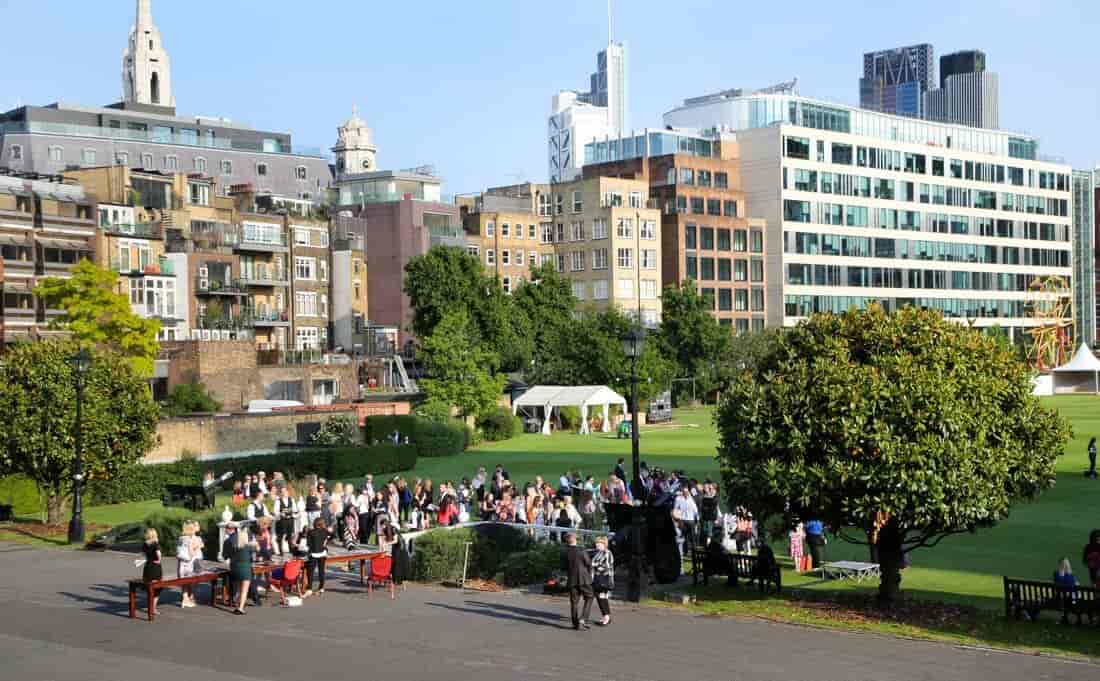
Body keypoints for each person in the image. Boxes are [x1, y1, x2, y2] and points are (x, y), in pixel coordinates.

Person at [562, 533, 593, 630]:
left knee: (574, 602)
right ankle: (583, 618)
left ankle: (575, 624)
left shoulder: (564, 552)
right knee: (589, 597)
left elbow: (563, 567)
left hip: (571, 579)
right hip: (583, 579)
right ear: (575, 539)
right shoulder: (581, 550)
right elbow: (588, 563)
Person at [227, 525, 258, 615]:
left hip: (235, 568)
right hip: (245, 569)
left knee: (238, 589)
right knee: (244, 590)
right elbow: (257, 550)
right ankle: (240, 608)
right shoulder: (248, 547)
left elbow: (227, 556)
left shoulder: (233, 546)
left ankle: (237, 605)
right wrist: (255, 543)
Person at [304, 518, 332, 595]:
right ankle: (321, 587)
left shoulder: (311, 532)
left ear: (315, 524)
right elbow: (332, 536)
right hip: (323, 553)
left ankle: (309, 588)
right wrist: (325, 543)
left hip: (313, 554)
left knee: (310, 571)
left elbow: (308, 544)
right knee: (321, 571)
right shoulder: (325, 531)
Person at [591, 536, 614, 626]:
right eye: (596, 543)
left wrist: (594, 565)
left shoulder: (607, 553)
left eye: (599, 543)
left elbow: (607, 567)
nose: (597, 544)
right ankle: (605, 616)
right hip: (598, 579)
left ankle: (607, 617)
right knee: (600, 598)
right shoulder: (599, 553)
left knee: (603, 598)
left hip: (604, 579)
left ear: (604, 544)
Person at [176, 521, 198, 608]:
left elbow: (177, 552)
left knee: (183, 584)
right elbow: (191, 554)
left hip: (181, 564)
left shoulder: (180, 538)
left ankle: (185, 599)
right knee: (189, 582)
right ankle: (186, 600)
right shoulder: (190, 539)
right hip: (188, 564)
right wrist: (196, 549)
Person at [141, 528, 163, 614]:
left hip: (147, 566)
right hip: (155, 567)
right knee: (157, 587)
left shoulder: (145, 544)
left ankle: (151, 607)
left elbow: (142, 555)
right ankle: (153, 608)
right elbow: (158, 554)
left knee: (149, 588)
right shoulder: (155, 543)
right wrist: (159, 560)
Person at [674, 487, 699, 554]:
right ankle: (686, 551)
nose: (686, 493)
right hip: (684, 520)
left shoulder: (690, 499)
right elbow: (676, 509)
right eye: (685, 492)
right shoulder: (680, 499)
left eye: (686, 492)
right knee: (686, 536)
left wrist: (697, 518)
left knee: (690, 536)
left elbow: (695, 510)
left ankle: (692, 550)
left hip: (690, 520)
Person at [273, 486, 297, 556]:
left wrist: (292, 511)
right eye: (282, 492)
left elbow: (295, 509)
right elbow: (275, 511)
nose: (284, 493)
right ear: (281, 493)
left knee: (290, 535)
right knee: (281, 535)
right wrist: (280, 513)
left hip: (290, 519)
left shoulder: (291, 499)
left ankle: (291, 549)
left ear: (287, 492)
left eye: (285, 491)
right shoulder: (278, 500)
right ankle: (280, 551)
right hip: (282, 520)